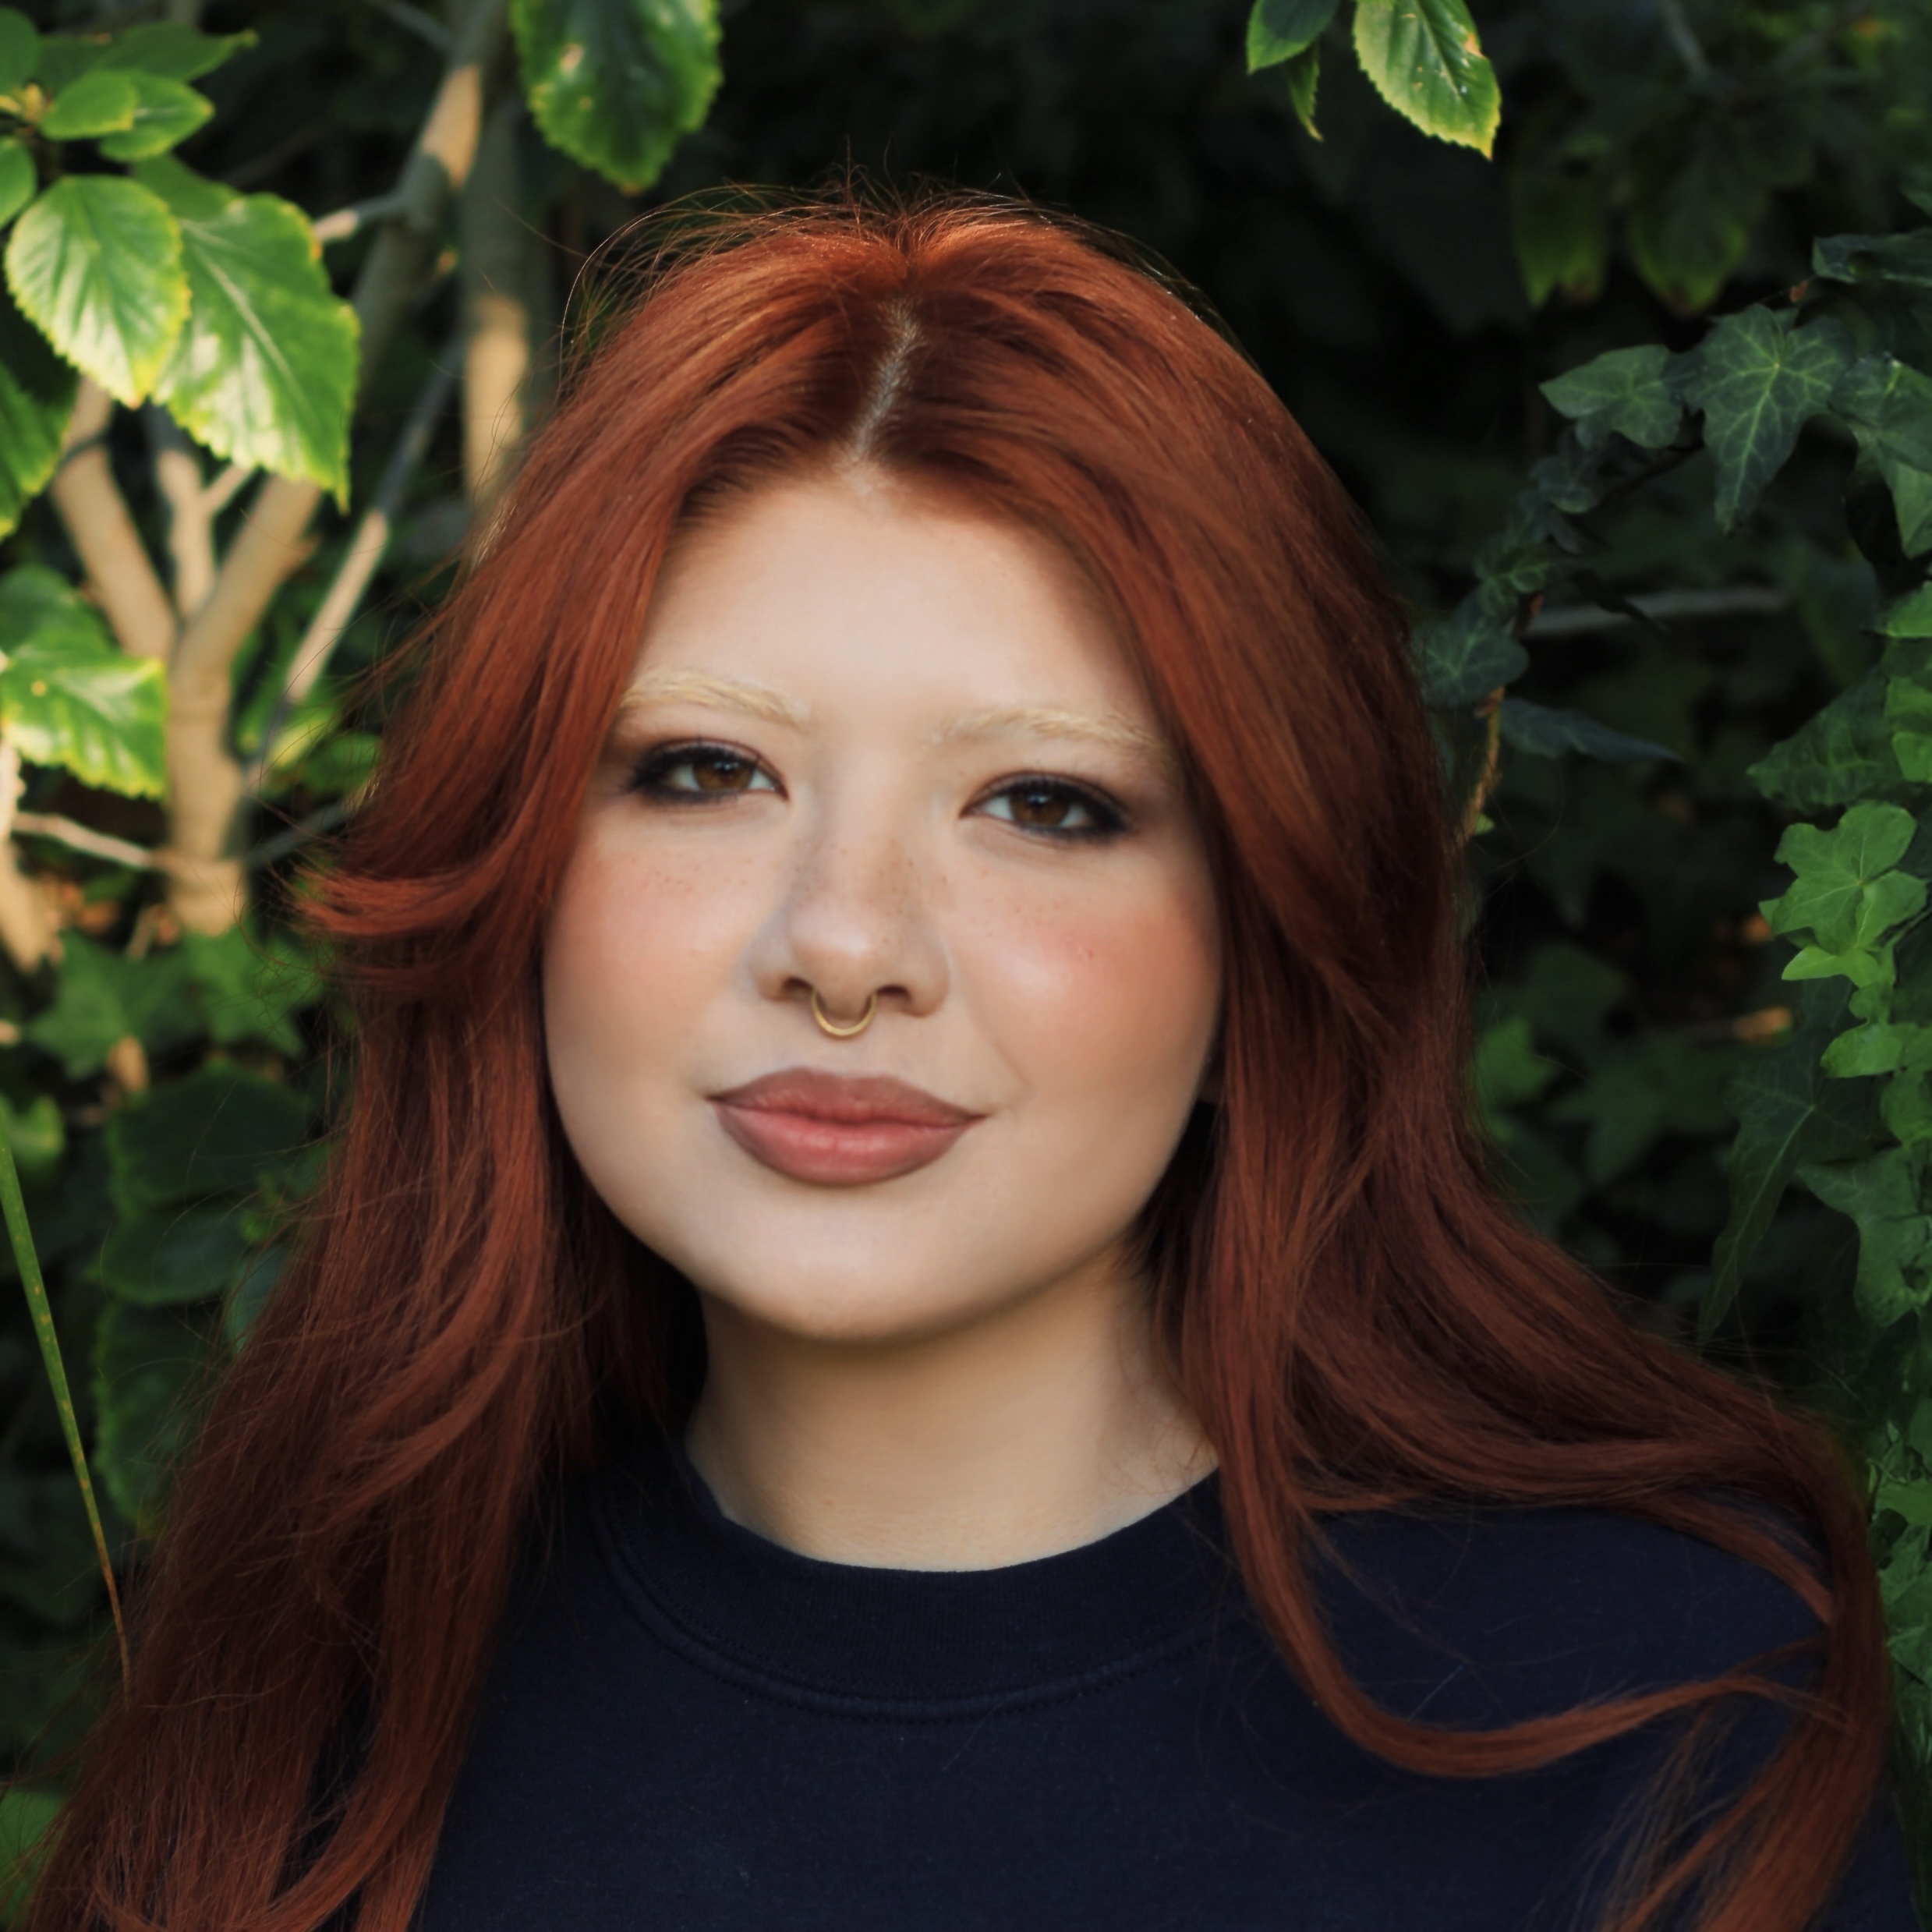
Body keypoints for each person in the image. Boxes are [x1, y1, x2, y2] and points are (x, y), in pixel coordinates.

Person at [24, 196, 1918, 1932]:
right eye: (706, 772)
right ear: (516, 869)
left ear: (1273, 941)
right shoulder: (316, 1691)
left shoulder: (1656, 1717)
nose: (843, 944)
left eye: (1045, 802)